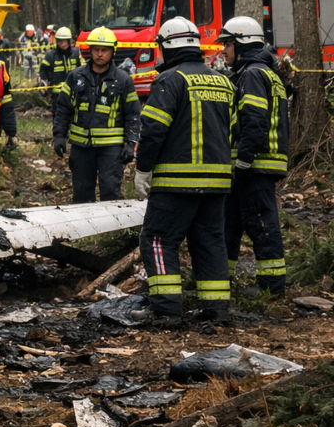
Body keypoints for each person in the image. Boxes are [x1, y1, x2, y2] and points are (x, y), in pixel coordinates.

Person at [134, 17, 234, 325]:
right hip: (218, 181)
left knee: (157, 239)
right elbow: (231, 129)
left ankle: (166, 308)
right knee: (210, 241)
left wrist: (143, 169)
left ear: (167, 46)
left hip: (176, 181)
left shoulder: (170, 80)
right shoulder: (223, 81)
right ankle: (216, 310)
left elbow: (153, 129)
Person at [217, 17, 290, 297]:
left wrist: (244, 159)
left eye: (227, 43)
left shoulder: (252, 74)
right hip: (249, 165)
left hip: (255, 165)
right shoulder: (264, 72)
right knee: (231, 222)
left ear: (243, 44)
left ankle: (271, 288)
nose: (223, 50)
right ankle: (221, 277)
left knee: (261, 224)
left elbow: (255, 120)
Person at [52, 27, 140, 203]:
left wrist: (130, 144)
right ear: (90, 50)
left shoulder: (123, 80)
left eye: (104, 50)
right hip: (81, 148)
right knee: (82, 193)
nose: (100, 54)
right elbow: (63, 108)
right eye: (96, 49)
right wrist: (59, 135)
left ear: (112, 51)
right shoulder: (75, 77)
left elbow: (133, 114)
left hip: (111, 149)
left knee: (110, 190)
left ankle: (113, 229)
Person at [40, 26, 83, 115]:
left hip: (74, 93)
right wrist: (44, 83)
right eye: (59, 40)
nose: (61, 43)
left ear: (68, 40)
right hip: (57, 95)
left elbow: (83, 69)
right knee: (59, 120)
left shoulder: (76, 53)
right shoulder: (51, 55)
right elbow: (42, 70)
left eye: (63, 40)